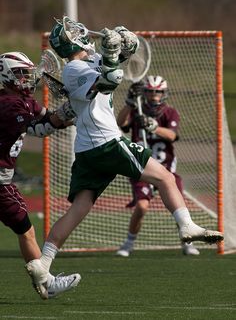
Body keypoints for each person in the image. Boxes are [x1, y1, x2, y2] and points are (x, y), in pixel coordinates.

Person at [25, 18, 223, 295]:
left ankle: (43, 263)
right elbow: (110, 80)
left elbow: (116, 63)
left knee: (79, 208)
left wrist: (124, 45)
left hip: (87, 149)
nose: (83, 32)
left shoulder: (85, 62)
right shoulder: (74, 68)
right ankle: (186, 226)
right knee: (165, 176)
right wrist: (110, 54)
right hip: (105, 141)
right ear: (73, 40)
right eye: (76, 32)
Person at [0, 51, 81, 300]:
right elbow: (41, 129)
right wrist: (66, 112)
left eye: (26, 73)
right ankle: (47, 281)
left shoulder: (23, 100)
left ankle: (45, 282)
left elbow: (48, 116)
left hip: (4, 179)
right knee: (25, 229)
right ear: (6, 75)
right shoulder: (8, 104)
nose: (26, 78)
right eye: (21, 73)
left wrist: (79, 113)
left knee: (26, 230)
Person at [116, 76, 200, 257]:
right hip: (143, 169)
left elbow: (171, 135)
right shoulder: (137, 109)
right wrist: (130, 103)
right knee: (142, 207)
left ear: (164, 93)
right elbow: (120, 124)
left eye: (158, 92)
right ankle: (129, 243)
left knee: (178, 207)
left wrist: (153, 127)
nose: (154, 96)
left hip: (167, 170)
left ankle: (188, 243)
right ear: (145, 93)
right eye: (151, 91)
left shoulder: (170, 113)